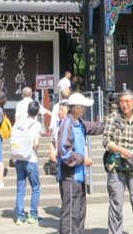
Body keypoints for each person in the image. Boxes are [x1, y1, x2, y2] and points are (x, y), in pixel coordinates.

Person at [102, 90, 133, 234]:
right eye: (122, 101)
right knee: (116, 205)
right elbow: (106, 141)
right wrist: (122, 150)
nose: (124, 104)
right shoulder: (113, 118)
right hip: (116, 167)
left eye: (127, 101)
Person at [56, 92, 104, 234]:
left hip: (79, 175)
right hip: (70, 176)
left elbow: (95, 127)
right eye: (83, 107)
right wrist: (83, 159)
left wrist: (111, 123)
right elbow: (64, 152)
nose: (85, 110)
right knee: (70, 213)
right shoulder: (67, 124)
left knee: (79, 211)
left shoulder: (80, 123)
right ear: (76, 108)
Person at [12, 101, 43, 225]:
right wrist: (35, 151)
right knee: (35, 187)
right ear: (37, 112)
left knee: (20, 188)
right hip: (31, 159)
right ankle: (33, 215)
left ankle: (19, 216)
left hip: (19, 158)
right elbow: (36, 143)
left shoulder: (20, 121)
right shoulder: (37, 125)